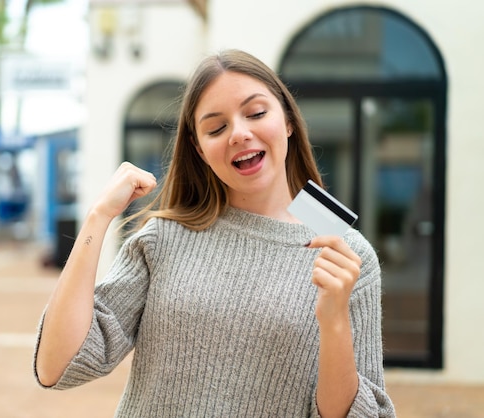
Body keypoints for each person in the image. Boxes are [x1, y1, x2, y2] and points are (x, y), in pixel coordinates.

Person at [33, 49, 396, 417]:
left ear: (288, 120)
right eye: (216, 128)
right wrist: (98, 216)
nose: (239, 133)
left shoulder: (348, 257)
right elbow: (57, 366)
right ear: (199, 148)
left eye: (256, 113)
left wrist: (334, 321)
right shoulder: (163, 238)